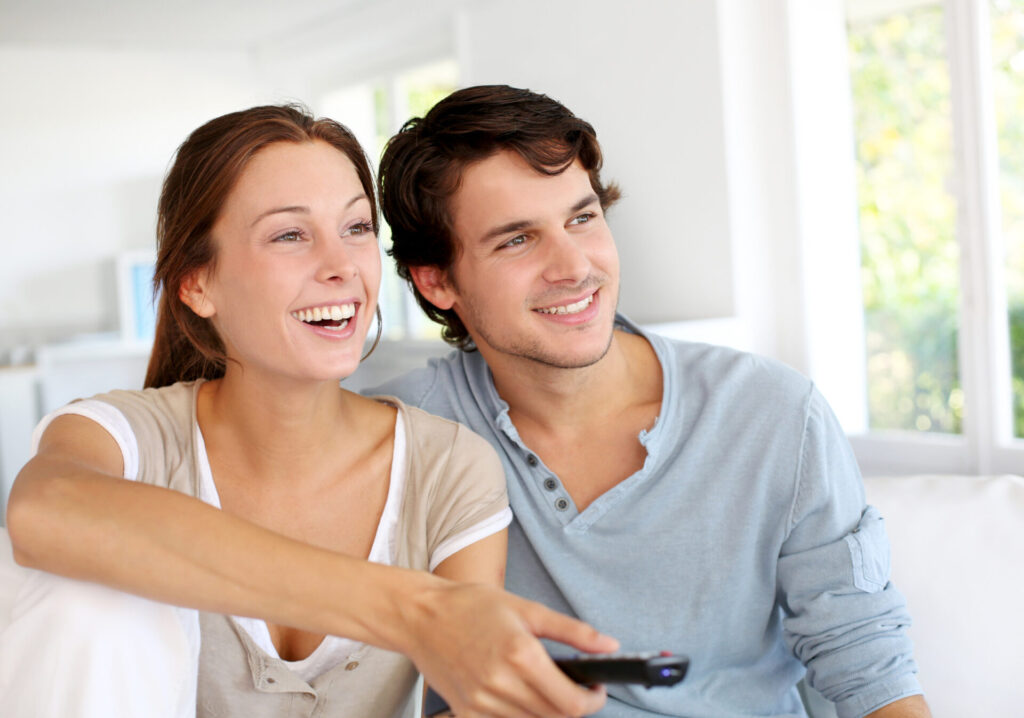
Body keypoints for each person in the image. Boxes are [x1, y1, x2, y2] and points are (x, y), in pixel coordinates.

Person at [1, 104, 618, 718]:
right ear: (197, 284)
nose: (341, 266)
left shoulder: (446, 464)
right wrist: (414, 610)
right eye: (290, 235)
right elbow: (42, 511)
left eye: (355, 229)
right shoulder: (126, 438)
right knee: (85, 592)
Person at [371, 85, 932, 718]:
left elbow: (864, 656)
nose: (574, 266)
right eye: (516, 240)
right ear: (436, 279)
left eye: (582, 218)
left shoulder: (774, 413)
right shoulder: (398, 435)